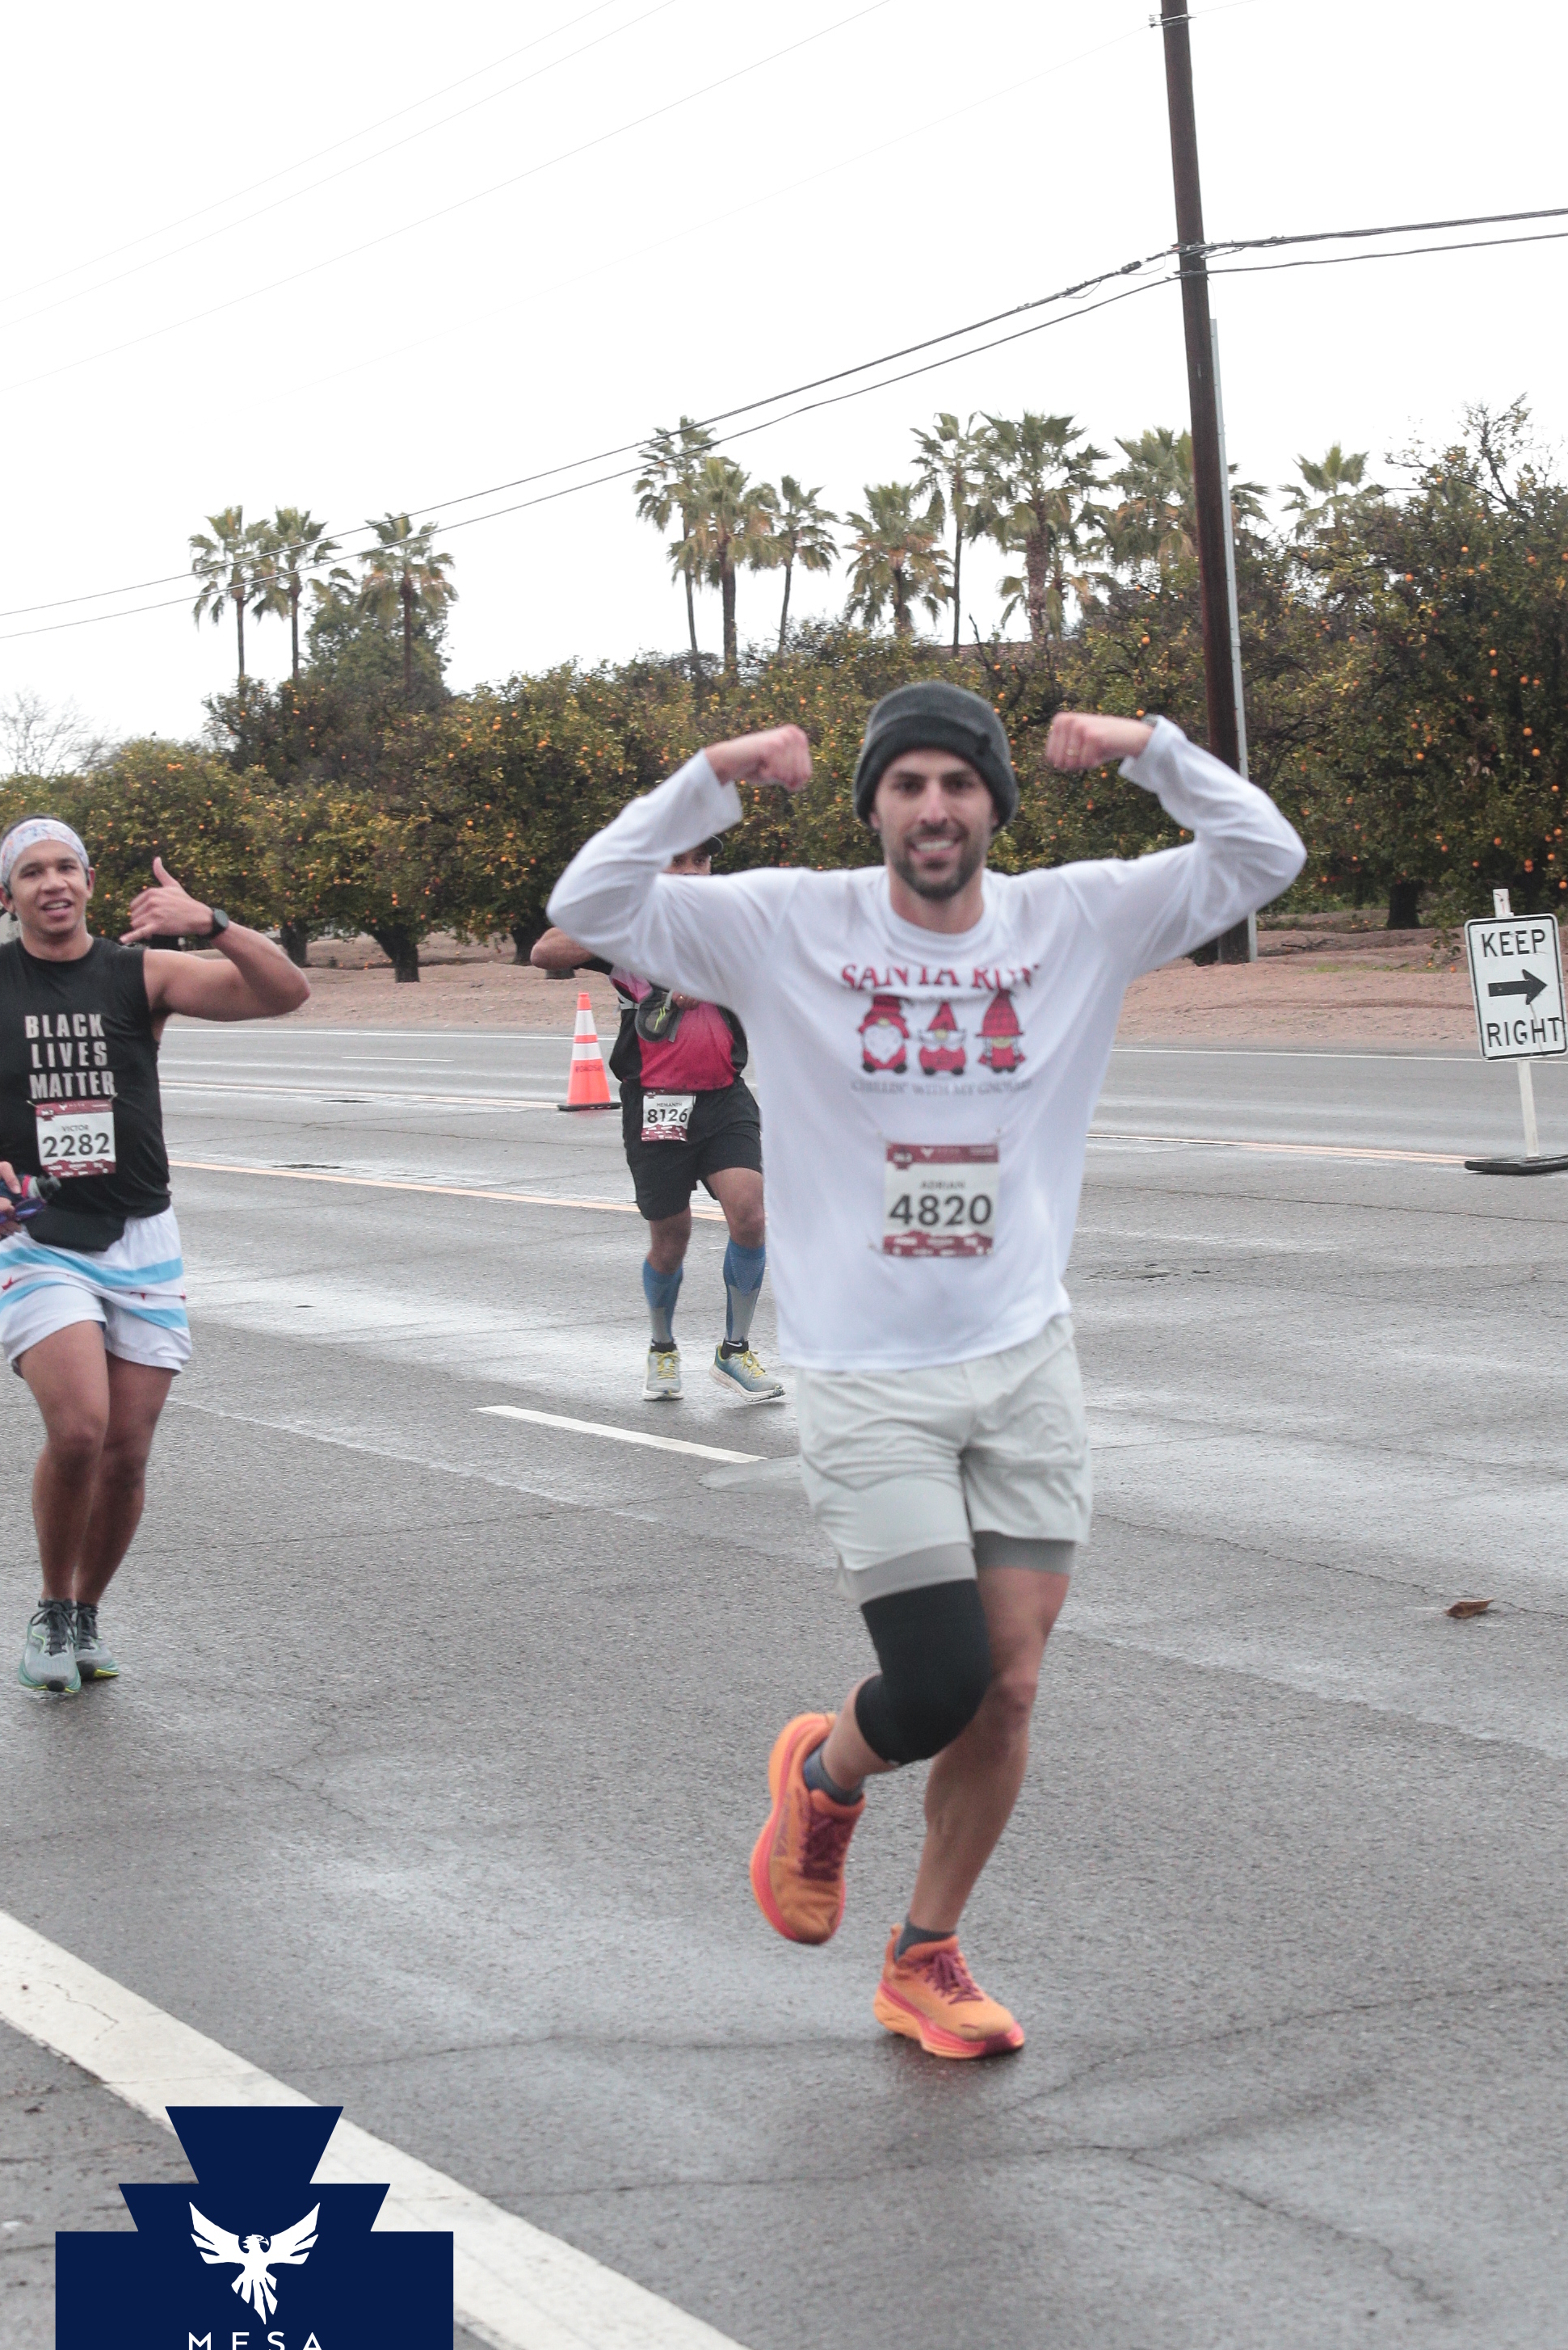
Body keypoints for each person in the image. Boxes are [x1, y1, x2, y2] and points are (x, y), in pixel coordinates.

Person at [548, 681, 1305, 2056]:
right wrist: (712, 776)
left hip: (1022, 1359)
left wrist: (1150, 752)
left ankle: (923, 1955)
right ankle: (826, 1774)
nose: (935, 809)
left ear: (993, 803)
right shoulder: (787, 924)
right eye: (908, 785)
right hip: (866, 1373)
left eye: (960, 783)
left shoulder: (1074, 919)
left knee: (1009, 1687)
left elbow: (1264, 855)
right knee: (944, 1678)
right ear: (875, 807)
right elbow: (590, 903)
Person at [0, 822, 309, 1697]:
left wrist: (213, 923)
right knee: (80, 1429)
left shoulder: (142, 973)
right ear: (6, 895)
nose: (52, 883)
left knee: (126, 1451)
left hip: (142, 1235)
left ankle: (87, 1613)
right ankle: (51, 1607)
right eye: (31, 873)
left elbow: (285, 992)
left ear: (90, 881)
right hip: (41, 1235)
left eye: (66, 867)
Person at [531, 842, 780, 1403]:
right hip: (655, 1102)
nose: (691, 872)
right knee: (671, 1239)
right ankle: (662, 1348)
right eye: (677, 860)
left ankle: (734, 1351)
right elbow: (545, 951)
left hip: (724, 1097)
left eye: (701, 861)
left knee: (750, 1214)